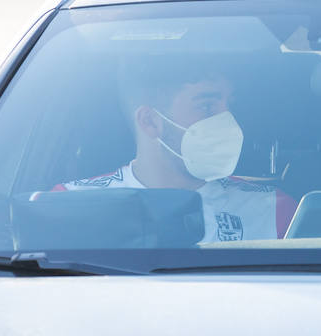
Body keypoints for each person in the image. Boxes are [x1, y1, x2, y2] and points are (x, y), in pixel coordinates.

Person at [53, 59, 295, 243]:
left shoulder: (274, 210)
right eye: (207, 105)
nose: (228, 120)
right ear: (150, 122)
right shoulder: (68, 205)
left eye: (229, 105)